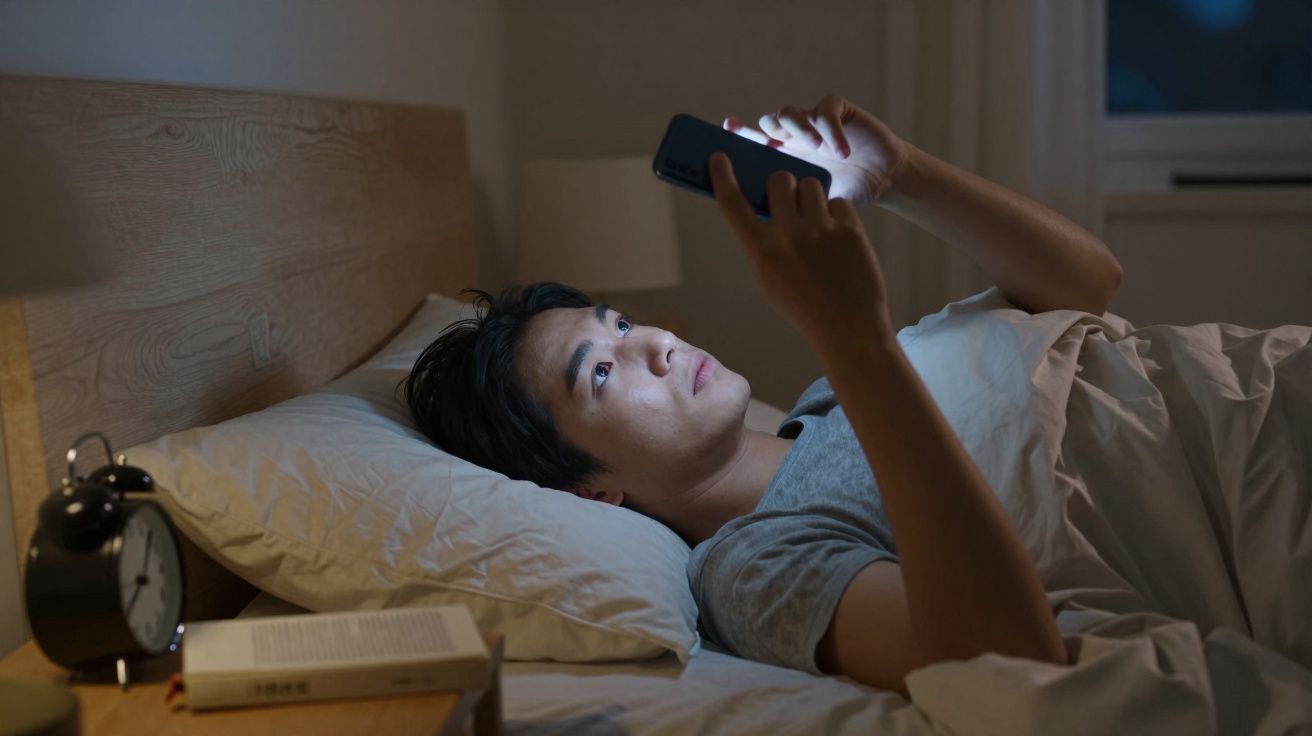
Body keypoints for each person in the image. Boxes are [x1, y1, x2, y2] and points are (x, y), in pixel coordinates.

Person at [403, 95, 1310, 696]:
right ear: (591, 489)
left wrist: (902, 171)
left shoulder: (839, 393)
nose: (651, 343)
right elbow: (999, 658)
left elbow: (1089, 282)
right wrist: (855, 334)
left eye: (618, 323)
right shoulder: (751, 566)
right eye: (600, 373)